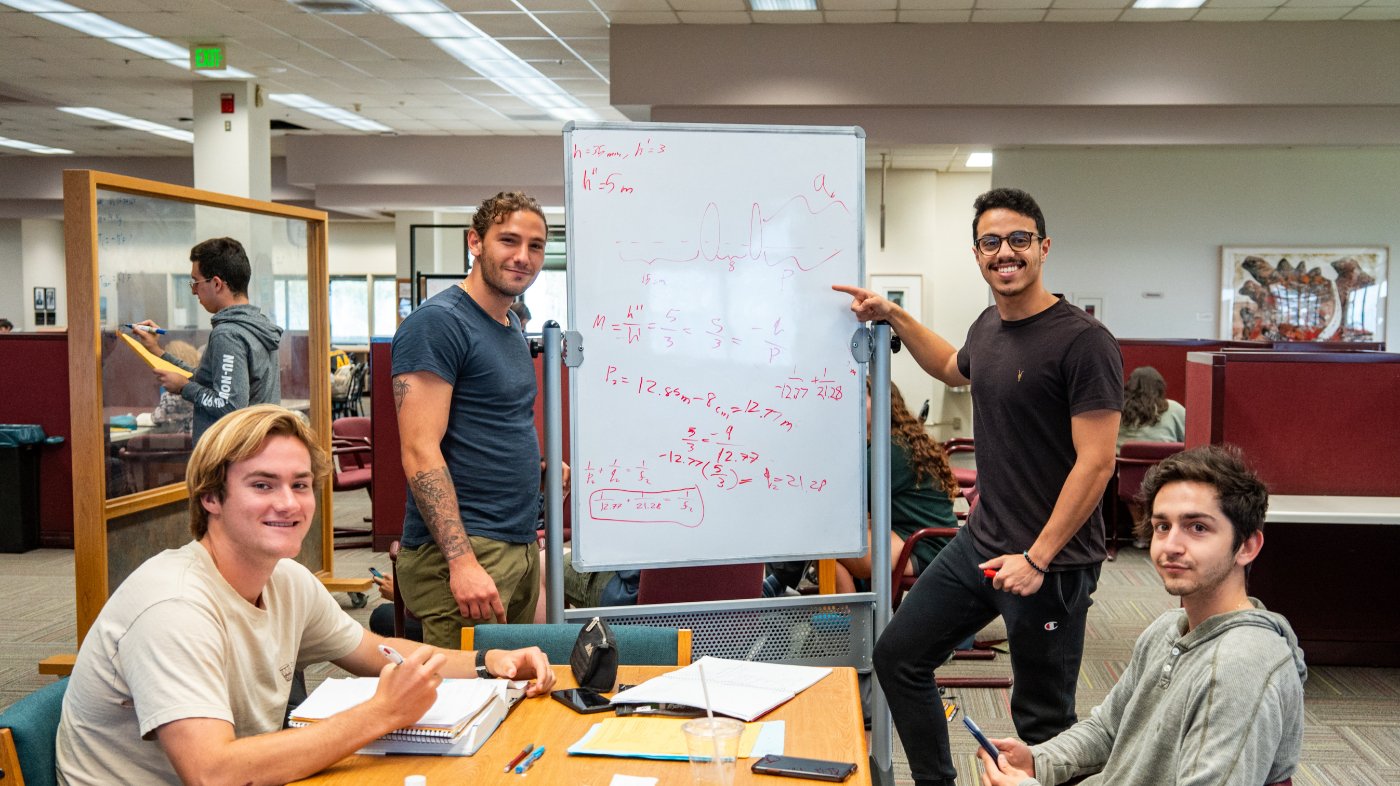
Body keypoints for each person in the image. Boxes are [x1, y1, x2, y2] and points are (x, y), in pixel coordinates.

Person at [56, 405, 555, 786]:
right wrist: (380, 714)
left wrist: (489, 662)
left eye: (300, 484)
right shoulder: (175, 608)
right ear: (210, 497)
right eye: (262, 484)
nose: (289, 503)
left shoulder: (285, 579)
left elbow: (377, 653)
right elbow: (213, 773)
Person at [835, 187, 1123, 786]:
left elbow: (1096, 463)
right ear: (977, 254)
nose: (1005, 252)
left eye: (1019, 239)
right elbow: (950, 366)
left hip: (1053, 562)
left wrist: (1038, 559)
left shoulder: (1083, 342)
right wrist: (894, 315)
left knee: (1042, 727)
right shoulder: (989, 326)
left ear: (1043, 248)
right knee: (899, 657)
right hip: (982, 543)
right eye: (991, 242)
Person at [975, 445, 1306, 786]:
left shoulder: (1239, 667)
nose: (1171, 545)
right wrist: (1039, 760)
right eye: (1163, 526)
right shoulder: (1168, 630)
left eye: (1198, 528)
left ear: (1247, 547)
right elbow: (1108, 730)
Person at [392, 191, 567, 649]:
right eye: (508, 240)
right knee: (464, 708)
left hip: (519, 545)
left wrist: (540, 471)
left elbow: (491, 425)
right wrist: (461, 561)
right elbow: (418, 450)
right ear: (475, 242)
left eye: (535, 246)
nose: (523, 257)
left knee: (514, 699)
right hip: (466, 552)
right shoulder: (439, 323)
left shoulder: (509, 327)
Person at [131, 237, 283, 444]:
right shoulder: (257, 326)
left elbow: (229, 406)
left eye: (196, 282)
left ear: (217, 284)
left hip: (233, 454)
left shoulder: (228, 333)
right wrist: (156, 351)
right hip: (261, 446)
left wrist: (185, 388)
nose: (193, 290)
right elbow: (209, 379)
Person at [831, 379, 961, 594]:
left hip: (925, 545)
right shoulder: (890, 441)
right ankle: (850, 615)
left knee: (824, 542)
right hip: (918, 535)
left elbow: (847, 495)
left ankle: (848, 618)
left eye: (862, 396)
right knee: (828, 538)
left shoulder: (892, 447)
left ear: (883, 402)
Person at [1116, 366, 1185, 450]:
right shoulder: (1174, 408)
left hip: (1121, 462)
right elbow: (1191, 442)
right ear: (1160, 387)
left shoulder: (1118, 409)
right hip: (1164, 462)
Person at [150, 340, 198, 434]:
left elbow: (157, 418)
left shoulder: (171, 396)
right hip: (199, 443)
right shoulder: (201, 390)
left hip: (177, 444)